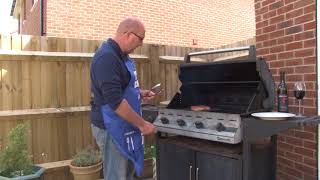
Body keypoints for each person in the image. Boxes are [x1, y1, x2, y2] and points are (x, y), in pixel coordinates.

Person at [90, 17, 157, 180]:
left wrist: (139, 93)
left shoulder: (121, 55)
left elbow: (120, 87)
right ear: (128, 34)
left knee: (127, 174)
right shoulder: (107, 57)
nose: (141, 44)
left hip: (123, 125)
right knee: (117, 176)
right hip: (111, 127)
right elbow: (116, 103)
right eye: (141, 39)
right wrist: (142, 125)